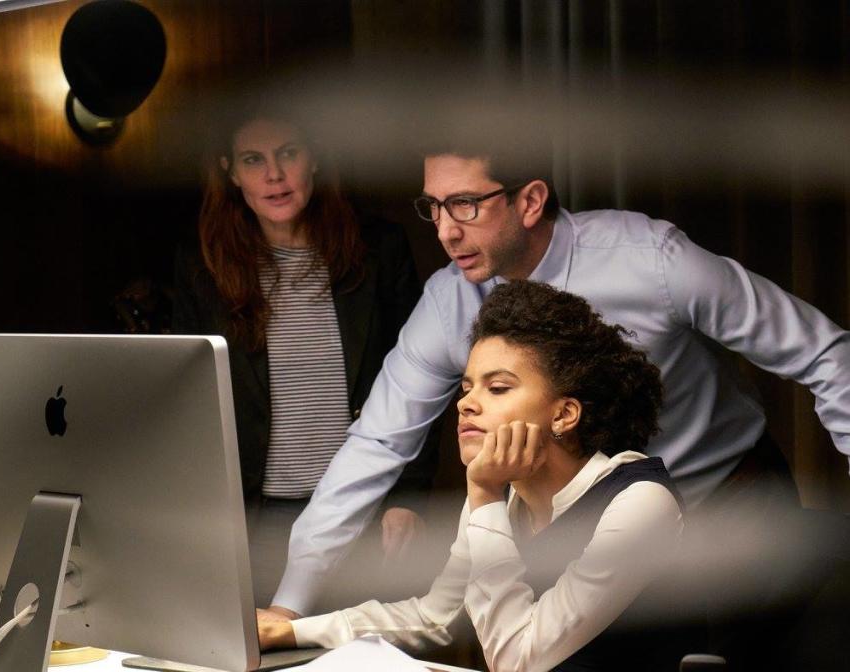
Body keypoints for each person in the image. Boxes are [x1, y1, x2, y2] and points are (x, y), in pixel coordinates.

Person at [261, 130, 850, 623]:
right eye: (433, 206)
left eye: (465, 204)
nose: (444, 230)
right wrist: (290, 605)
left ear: (531, 200)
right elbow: (376, 442)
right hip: (578, 540)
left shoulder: (651, 259)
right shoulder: (448, 303)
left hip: (723, 504)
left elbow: (824, 354)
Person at [260, 280, 698, 672]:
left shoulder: (640, 501)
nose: (466, 404)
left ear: (564, 414)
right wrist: (293, 631)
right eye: (467, 387)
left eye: (498, 388)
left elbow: (517, 660)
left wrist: (485, 495)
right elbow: (438, 616)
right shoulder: (498, 497)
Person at [173, 109, 438, 606]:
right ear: (231, 171)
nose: (274, 175)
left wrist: (408, 498)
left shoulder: (377, 250)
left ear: (313, 159)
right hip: (256, 517)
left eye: (288, 154)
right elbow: (189, 402)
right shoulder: (202, 267)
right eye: (254, 160)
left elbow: (422, 379)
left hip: (363, 508)